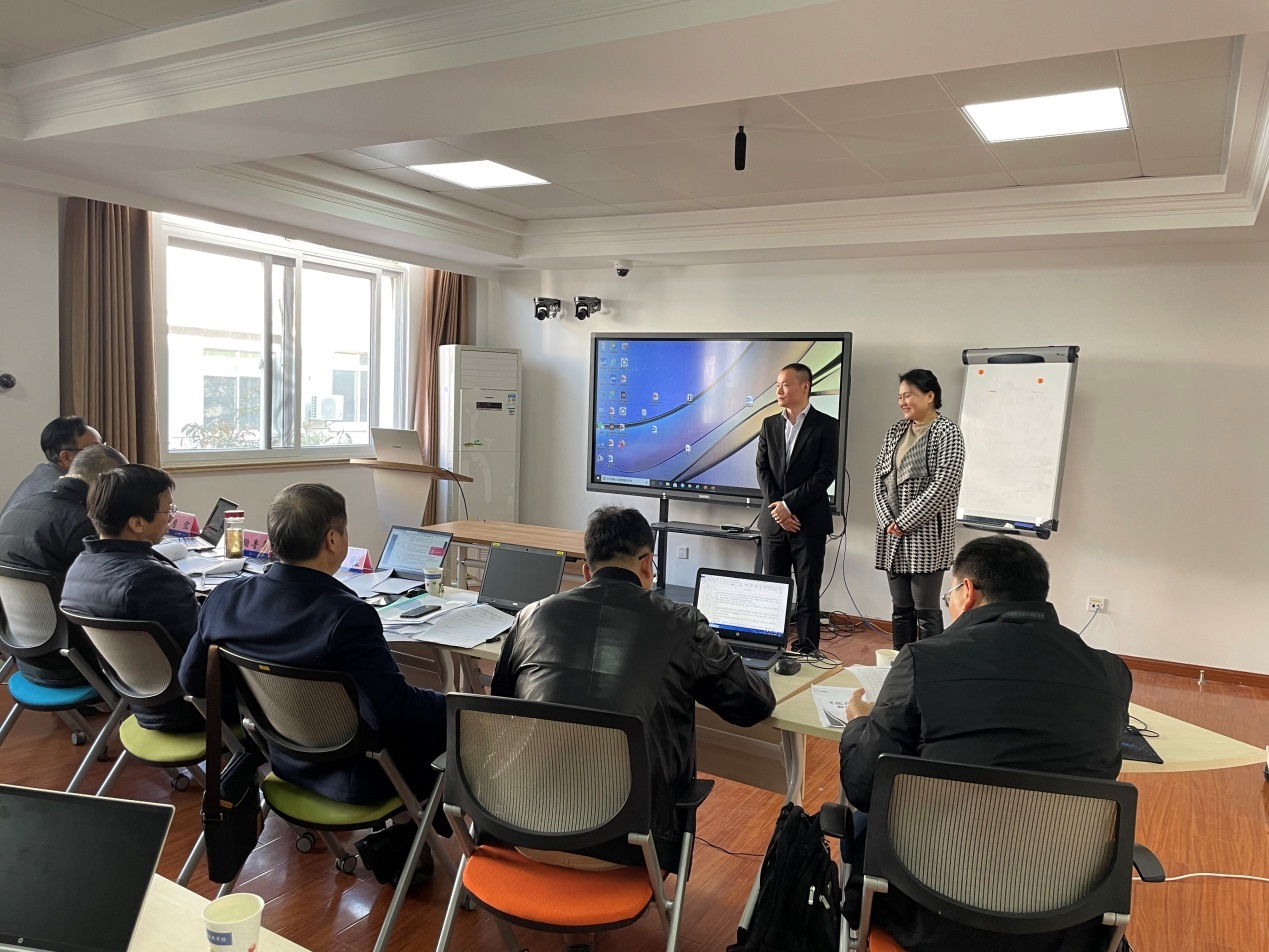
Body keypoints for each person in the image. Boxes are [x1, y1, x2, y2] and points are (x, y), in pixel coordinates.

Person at [839, 536, 1132, 952]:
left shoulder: (923, 659)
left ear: (968, 591)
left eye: (949, 597)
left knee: (861, 822)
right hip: (1062, 923)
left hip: (927, 912)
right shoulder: (1111, 672)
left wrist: (859, 724)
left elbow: (862, 785)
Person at [491, 505, 776, 871]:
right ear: (647, 565)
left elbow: (501, 709)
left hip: (525, 824)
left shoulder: (530, 617)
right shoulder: (681, 623)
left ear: (587, 571)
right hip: (629, 844)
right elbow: (753, 704)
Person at [179, 483, 446, 808]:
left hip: (281, 759)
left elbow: (193, 681)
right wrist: (455, 703)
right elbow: (392, 711)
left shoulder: (225, 598)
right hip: (363, 776)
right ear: (333, 539)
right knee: (457, 726)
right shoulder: (347, 615)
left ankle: (412, 831)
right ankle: (443, 830)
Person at [60, 464, 204, 732]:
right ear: (137, 523)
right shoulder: (153, 582)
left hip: (137, 699)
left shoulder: (79, 568)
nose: (171, 518)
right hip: (191, 710)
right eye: (168, 510)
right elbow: (202, 654)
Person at [0, 444, 128, 686]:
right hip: (72, 661)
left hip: (23, 651)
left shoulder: (16, 510)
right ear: (105, 483)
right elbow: (112, 593)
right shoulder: (83, 524)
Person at [872, 369, 964, 649]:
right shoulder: (895, 431)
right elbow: (878, 477)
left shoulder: (948, 432)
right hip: (892, 533)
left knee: (925, 608)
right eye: (900, 396)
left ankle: (929, 665)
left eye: (908, 395)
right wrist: (887, 519)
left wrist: (904, 521)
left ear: (930, 396)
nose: (902, 402)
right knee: (900, 607)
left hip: (927, 535)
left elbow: (943, 484)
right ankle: (900, 662)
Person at [755, 362, 838, 653]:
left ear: (805, 387)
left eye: (785, 384)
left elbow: (825, 474)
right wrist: (779, 510)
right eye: (777, 384)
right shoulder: (769, 424)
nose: (779, 390)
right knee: (774, 590)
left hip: (809, 522)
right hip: (774, 523)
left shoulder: (827, 426)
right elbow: (762, 469)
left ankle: (807, 649)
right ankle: (771, 646)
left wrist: (789, 505)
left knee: (807, 592)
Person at [2, 416, 102, 514]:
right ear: (66, 457)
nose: (104, 454)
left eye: (103, 446)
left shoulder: (42, 476)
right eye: (95, 449)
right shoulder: (61, 491)